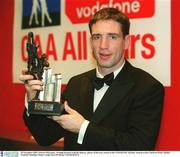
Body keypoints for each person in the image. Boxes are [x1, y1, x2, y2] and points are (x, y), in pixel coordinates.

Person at [19, 7, 164, 150]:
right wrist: (32, 100)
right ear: (90, 42)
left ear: (126, 42)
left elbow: (139, 147)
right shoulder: (76, 83)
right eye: (97, 37)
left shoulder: (147, 87)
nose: (103, 46)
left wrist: (83, 128)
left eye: (112, 37)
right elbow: (45, 137)